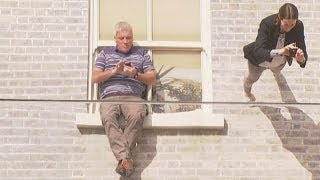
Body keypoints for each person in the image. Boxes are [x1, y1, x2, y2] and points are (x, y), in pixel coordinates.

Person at [92, 21, 156, 177]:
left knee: (136, 115)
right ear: (115, 38)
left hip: (133, 96)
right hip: (110, 96)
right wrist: (114, 71)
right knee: (107, 116)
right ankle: (126, 158)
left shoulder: (142, 54)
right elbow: (95, 77)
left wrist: (135, 74)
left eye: (129, 37)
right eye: (122, 38)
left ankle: (123, 158)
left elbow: (152, 78)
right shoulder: (105, 54)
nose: (126, 41)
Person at [243, 3, 308, 101]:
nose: (289, 28)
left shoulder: (298, 26)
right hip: (259, 62)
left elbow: (302, 48)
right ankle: (247, 92)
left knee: (277, 70)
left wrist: (301, 59)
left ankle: (276, 73)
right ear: (279, 18)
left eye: (292, 25)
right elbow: (258, 52)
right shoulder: (267, 23)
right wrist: (280, 51)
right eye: (285, 24)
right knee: (252, 78)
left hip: (279, 62)